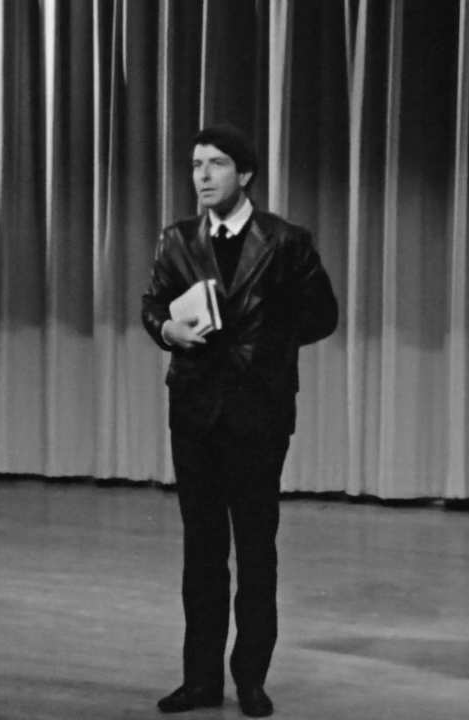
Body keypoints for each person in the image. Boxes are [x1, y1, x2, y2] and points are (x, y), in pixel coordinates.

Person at [141, 124, 338, 717]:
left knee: (255, 549)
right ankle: (200, 679)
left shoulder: (286, 242)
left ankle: (250, 678)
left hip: (258, 410)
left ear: (245, 174)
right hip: (194, 411)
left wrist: (267, 343)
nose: (202, 175)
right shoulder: (176, 239)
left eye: (216, 164)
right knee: (201, 551)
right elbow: (153, 304)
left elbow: (323, 315)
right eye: (196, 164)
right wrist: (166, 329)